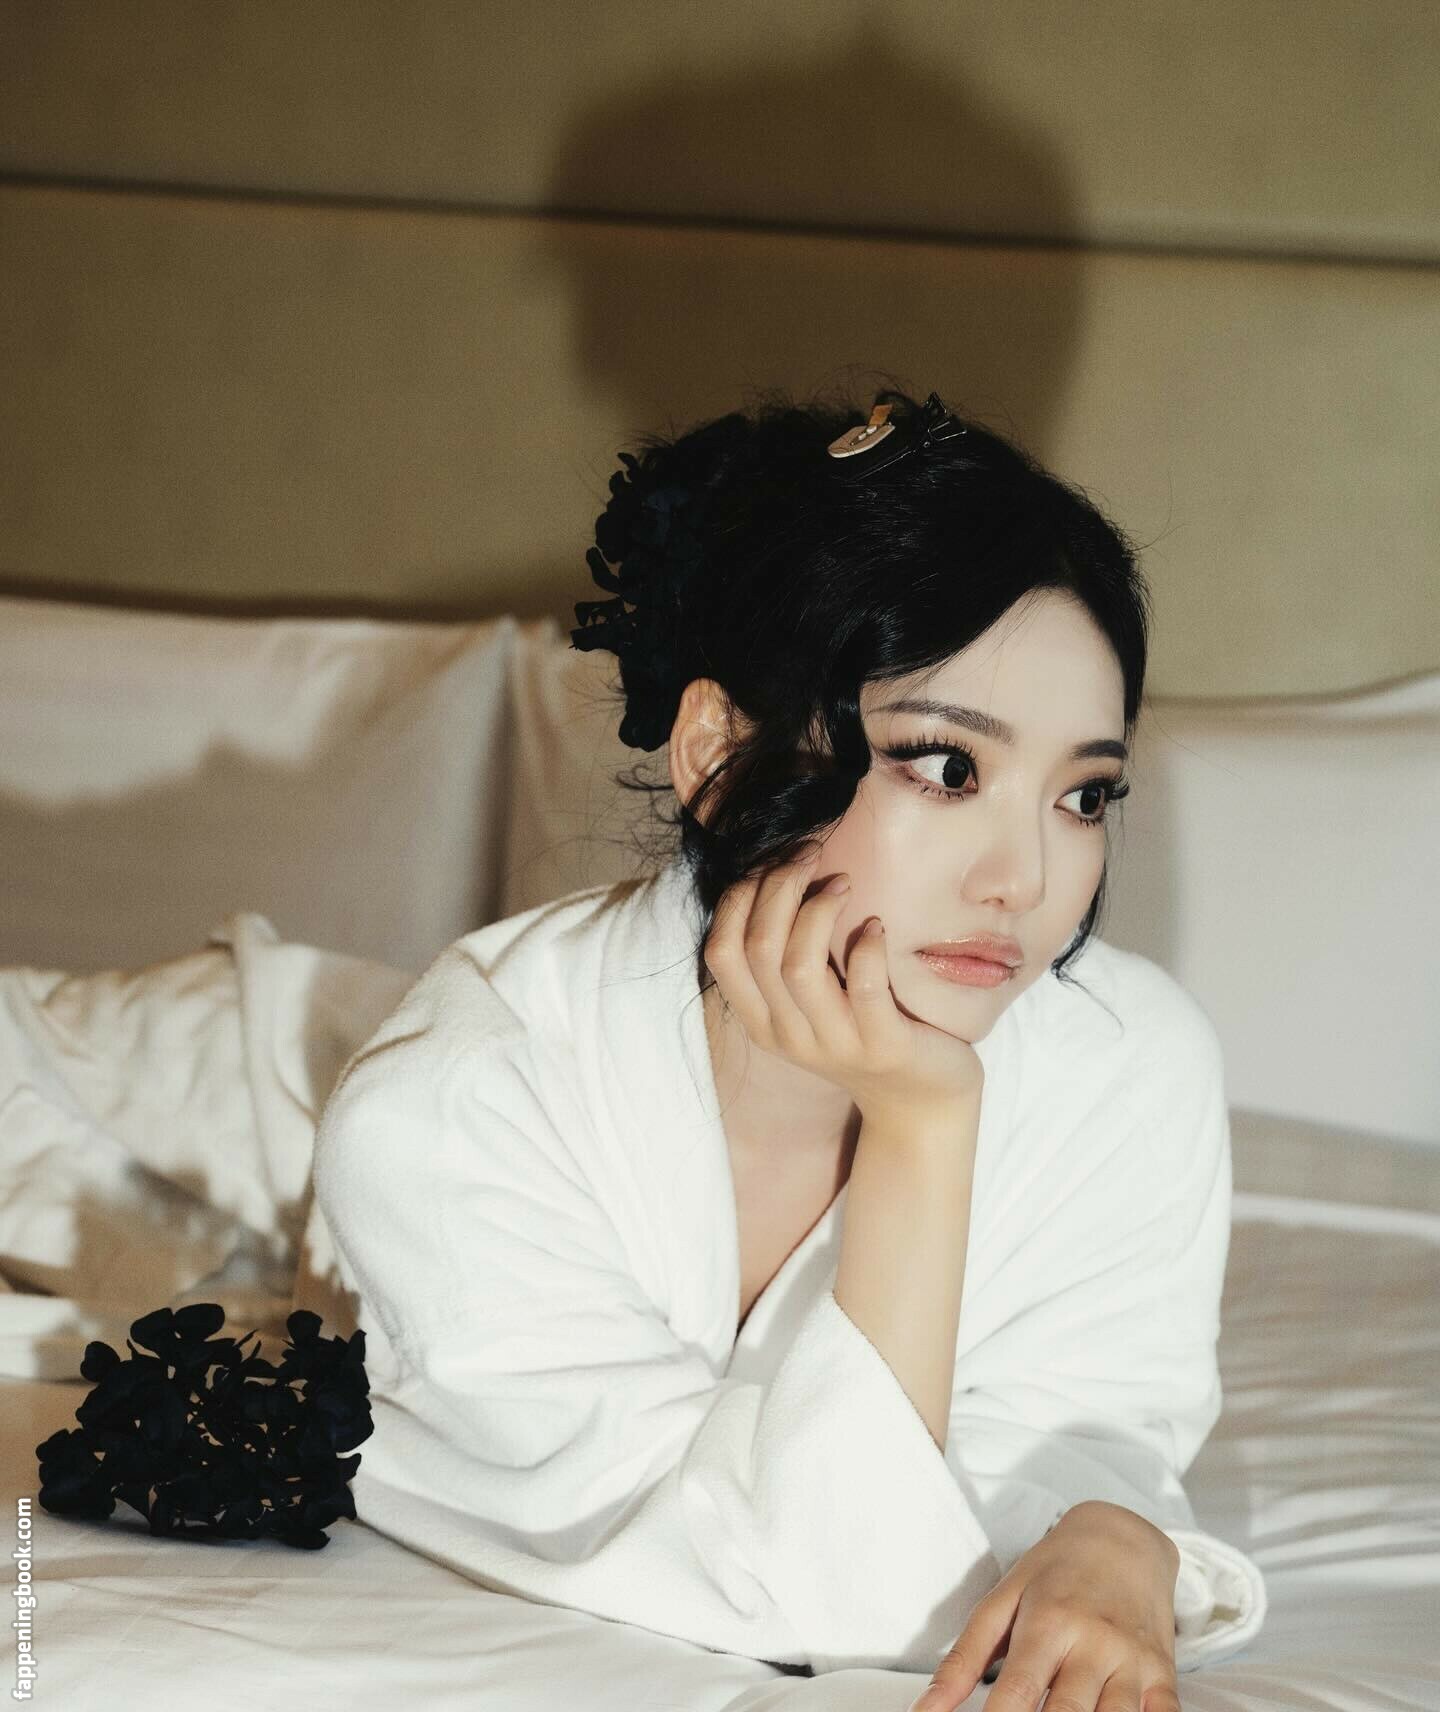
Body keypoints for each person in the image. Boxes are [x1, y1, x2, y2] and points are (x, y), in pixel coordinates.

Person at [311, 388, 1267, 1704]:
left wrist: (1114, 1534)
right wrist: (924, 1127)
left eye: (1084, 794)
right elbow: (833, 1589)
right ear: (719, 752)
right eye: (947, 769)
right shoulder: (457, 1108)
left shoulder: (1129, 1057)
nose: (1027, 879)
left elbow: (1086, 1428)